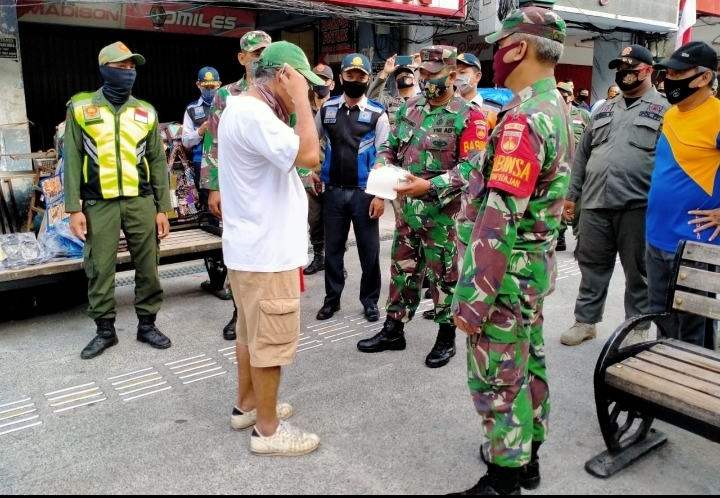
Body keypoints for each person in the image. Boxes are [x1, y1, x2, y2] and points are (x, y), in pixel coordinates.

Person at [449, 7, 570, 494]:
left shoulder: (523, 120)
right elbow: (481, 171)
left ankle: (503, 480)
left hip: (502, 281)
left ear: (518, 48)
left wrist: (472, 300)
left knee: (498, 378)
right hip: (530, 273)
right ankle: (528, 456)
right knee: (529, 363)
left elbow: (499, 220)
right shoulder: (554, 107)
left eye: (499, 47)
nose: (494, 57)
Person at [218, 41, 324, 456]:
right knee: (271, 343)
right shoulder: (255, 113)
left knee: (250, 335)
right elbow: (311, 155)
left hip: (251, 248)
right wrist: (301, 99)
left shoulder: (241, 109)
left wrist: (295, 97)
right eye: (300, 81)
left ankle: (247, 404)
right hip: (266, 252)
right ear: (283, 75)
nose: (307, 90)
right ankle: (267, 429)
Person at [355, 45, 486, 369]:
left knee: (444, 279)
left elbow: (473, 168)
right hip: (407, 213)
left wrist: (431, 186)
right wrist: (382, 166)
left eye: (433, 74)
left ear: (452, 75)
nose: (425, 80)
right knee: (402, 273)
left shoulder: (469, 116)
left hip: (444, 217)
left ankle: (445, 338)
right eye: (422, 74)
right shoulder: (409, 108)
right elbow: (390, 146)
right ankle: (393, 330)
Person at [64, 41, 172, 359]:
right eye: (121, 67)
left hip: (141, 201)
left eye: (131, 68)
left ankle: (147, 324)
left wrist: (163, 208)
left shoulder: (145, 112)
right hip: (98, 204)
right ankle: (105, 331)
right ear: (104, 69)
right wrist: (74, 208)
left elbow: (156, 162)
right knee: (99, 268)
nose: (127, 73)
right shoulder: (81, 108)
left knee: (149, 266)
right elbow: (72, 159)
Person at [561, 44, 669, 347]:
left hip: (639, 204)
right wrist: (572, 195)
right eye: (620, 69)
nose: (625, 74)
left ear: (648, 70)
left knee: (639, 272)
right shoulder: (603, 109)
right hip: (595, 202)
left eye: (631, 68)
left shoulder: (664, 110)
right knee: (591, 265)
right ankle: (585, 322)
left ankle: (637, 327)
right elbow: (582, 155)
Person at [647, 41, 720, 348]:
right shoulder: (672, 115)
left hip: (696, 243)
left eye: (679, 73)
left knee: (694, 333)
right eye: (668, 73)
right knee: (662, 322)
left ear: (704, 77)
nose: (670, 80)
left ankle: (696, 391)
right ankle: (661, 389)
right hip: (656, 237)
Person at [200, 30, 272, 340]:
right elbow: (212, 141)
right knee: (240, 250)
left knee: (273, 250)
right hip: (238, 190)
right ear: (242, 58)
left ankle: (271, 311)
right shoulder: (226, 95)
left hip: (271, 189)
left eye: (265, 54)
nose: (261, 60)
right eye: (255, 54)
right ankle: (239, 312)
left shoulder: (279, 92)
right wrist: (213, 186)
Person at [314, 53, 390, 322]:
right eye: (350, 76)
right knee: (333, 250)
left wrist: (380, 196)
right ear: (341, 77)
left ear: (368, 80)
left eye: (361, 77)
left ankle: (370, 302)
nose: (355, 81)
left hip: (364, 194)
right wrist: (313, 170)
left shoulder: (377, 115)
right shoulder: (327, 110)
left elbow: (386, 156)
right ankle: (331, 300)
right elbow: (313, 143)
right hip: (333, 192)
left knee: (369, 251)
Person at [303, 63, 335, 276]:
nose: (320, 85)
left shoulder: (340, 108)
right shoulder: (302, 110)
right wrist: (307, 172)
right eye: (316, 80)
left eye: (324, 80)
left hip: (333, 174)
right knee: (314, 218)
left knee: (335, 219)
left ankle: (335, 260)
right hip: (311, 173)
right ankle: (318, 257)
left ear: (332, 83)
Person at [556, 81, 591, 251]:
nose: (561, 99)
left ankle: (580, 236)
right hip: (559, 165)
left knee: (579, 203)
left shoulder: (583, 116)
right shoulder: (552, 114)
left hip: (579, 166)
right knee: (560, 200)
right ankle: (560, 233)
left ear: (570, 97)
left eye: (564, 96)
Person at [181, 66, 221, 210]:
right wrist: (200, 131)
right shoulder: (191, 109)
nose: (210, 89)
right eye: (206, 86)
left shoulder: (228, 105)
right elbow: (185, 140)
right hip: (202, 161)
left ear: (219, 84)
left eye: (213, 86)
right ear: (198, 85)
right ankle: (212, 228)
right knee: (208, 200)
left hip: (226, 158)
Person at [367, 54, 420, 126]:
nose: (404, 77)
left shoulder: (422, 101)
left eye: (407, 75)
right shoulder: (389, 101)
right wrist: (385, 72)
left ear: (414, 81)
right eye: (400, 76)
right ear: (396, 83)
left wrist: (422, 66)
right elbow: (372, 97)